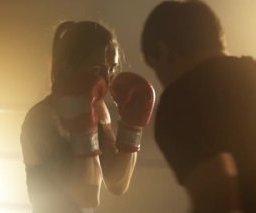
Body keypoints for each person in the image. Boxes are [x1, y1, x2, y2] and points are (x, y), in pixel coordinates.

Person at [141, 1, 256, 212]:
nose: (161, 79)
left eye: (155, 67)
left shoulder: (182, 97)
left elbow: (214, 202)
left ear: (163, 51)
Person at [20, 21, 155, 213]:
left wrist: (132, 128)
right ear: (67, 68)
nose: (106, 80)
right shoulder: (41, 118)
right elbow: (86, 194)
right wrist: (83, 125)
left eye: (111, 69)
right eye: (96, 70)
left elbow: (117, 183)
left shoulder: (98, 110)